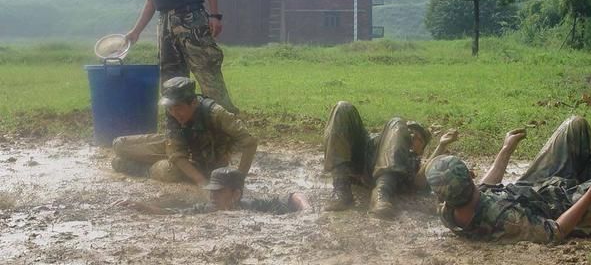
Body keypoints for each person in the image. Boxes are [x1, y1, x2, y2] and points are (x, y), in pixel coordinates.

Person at [425, 115, 591, 244]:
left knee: (575, 126)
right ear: (469, 180)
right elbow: (555, 231)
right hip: (565, 207)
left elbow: (485, 187)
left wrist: (506, 149)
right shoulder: (508, 220)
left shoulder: (449, 210)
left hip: (533, 190)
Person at [111, 77, 257, 185]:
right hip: (180, 148)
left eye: (179, 107)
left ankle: (137, 168)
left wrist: (239, 180)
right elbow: (175, 153)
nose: (174, 113)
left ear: (193, 103)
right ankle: (127, 161)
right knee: (119, 145)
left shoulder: (216, 114)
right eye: (170, 108)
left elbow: (249, 142)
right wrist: (200, 181)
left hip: (204, 161)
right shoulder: (173, 112)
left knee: (170, 172)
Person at [323, 101, 459, 217]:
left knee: (397, 121)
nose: (411, 135)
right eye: (408, 131)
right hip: (362, 158)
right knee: (343, 107)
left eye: (418, 138)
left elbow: (419, 182)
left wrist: (441, 145)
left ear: (421, 151)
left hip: (381, 177)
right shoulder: (384, 138)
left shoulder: (412, 161)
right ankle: (341, 189)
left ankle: (381, 193)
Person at [115, 167, 311, 215]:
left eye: (219, 192)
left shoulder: (254, 206)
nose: (212, 196)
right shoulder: (206, 209)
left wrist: (307, 211)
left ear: (236, 194)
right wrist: (143, 207)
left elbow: (294, 195)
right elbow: (173, 214)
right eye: (211, 191)